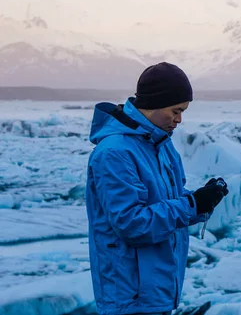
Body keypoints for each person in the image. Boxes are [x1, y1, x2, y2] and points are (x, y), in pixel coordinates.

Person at [85, 62, 228, 315]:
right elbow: (131, 223)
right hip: (130, 296)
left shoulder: (160, 145)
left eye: (183, 111)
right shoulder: (115, 153)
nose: (180, 119)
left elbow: (167, 201)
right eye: (176, 110)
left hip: (155, 290)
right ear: (155, 103)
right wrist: (190, 205)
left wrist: (201, 201)